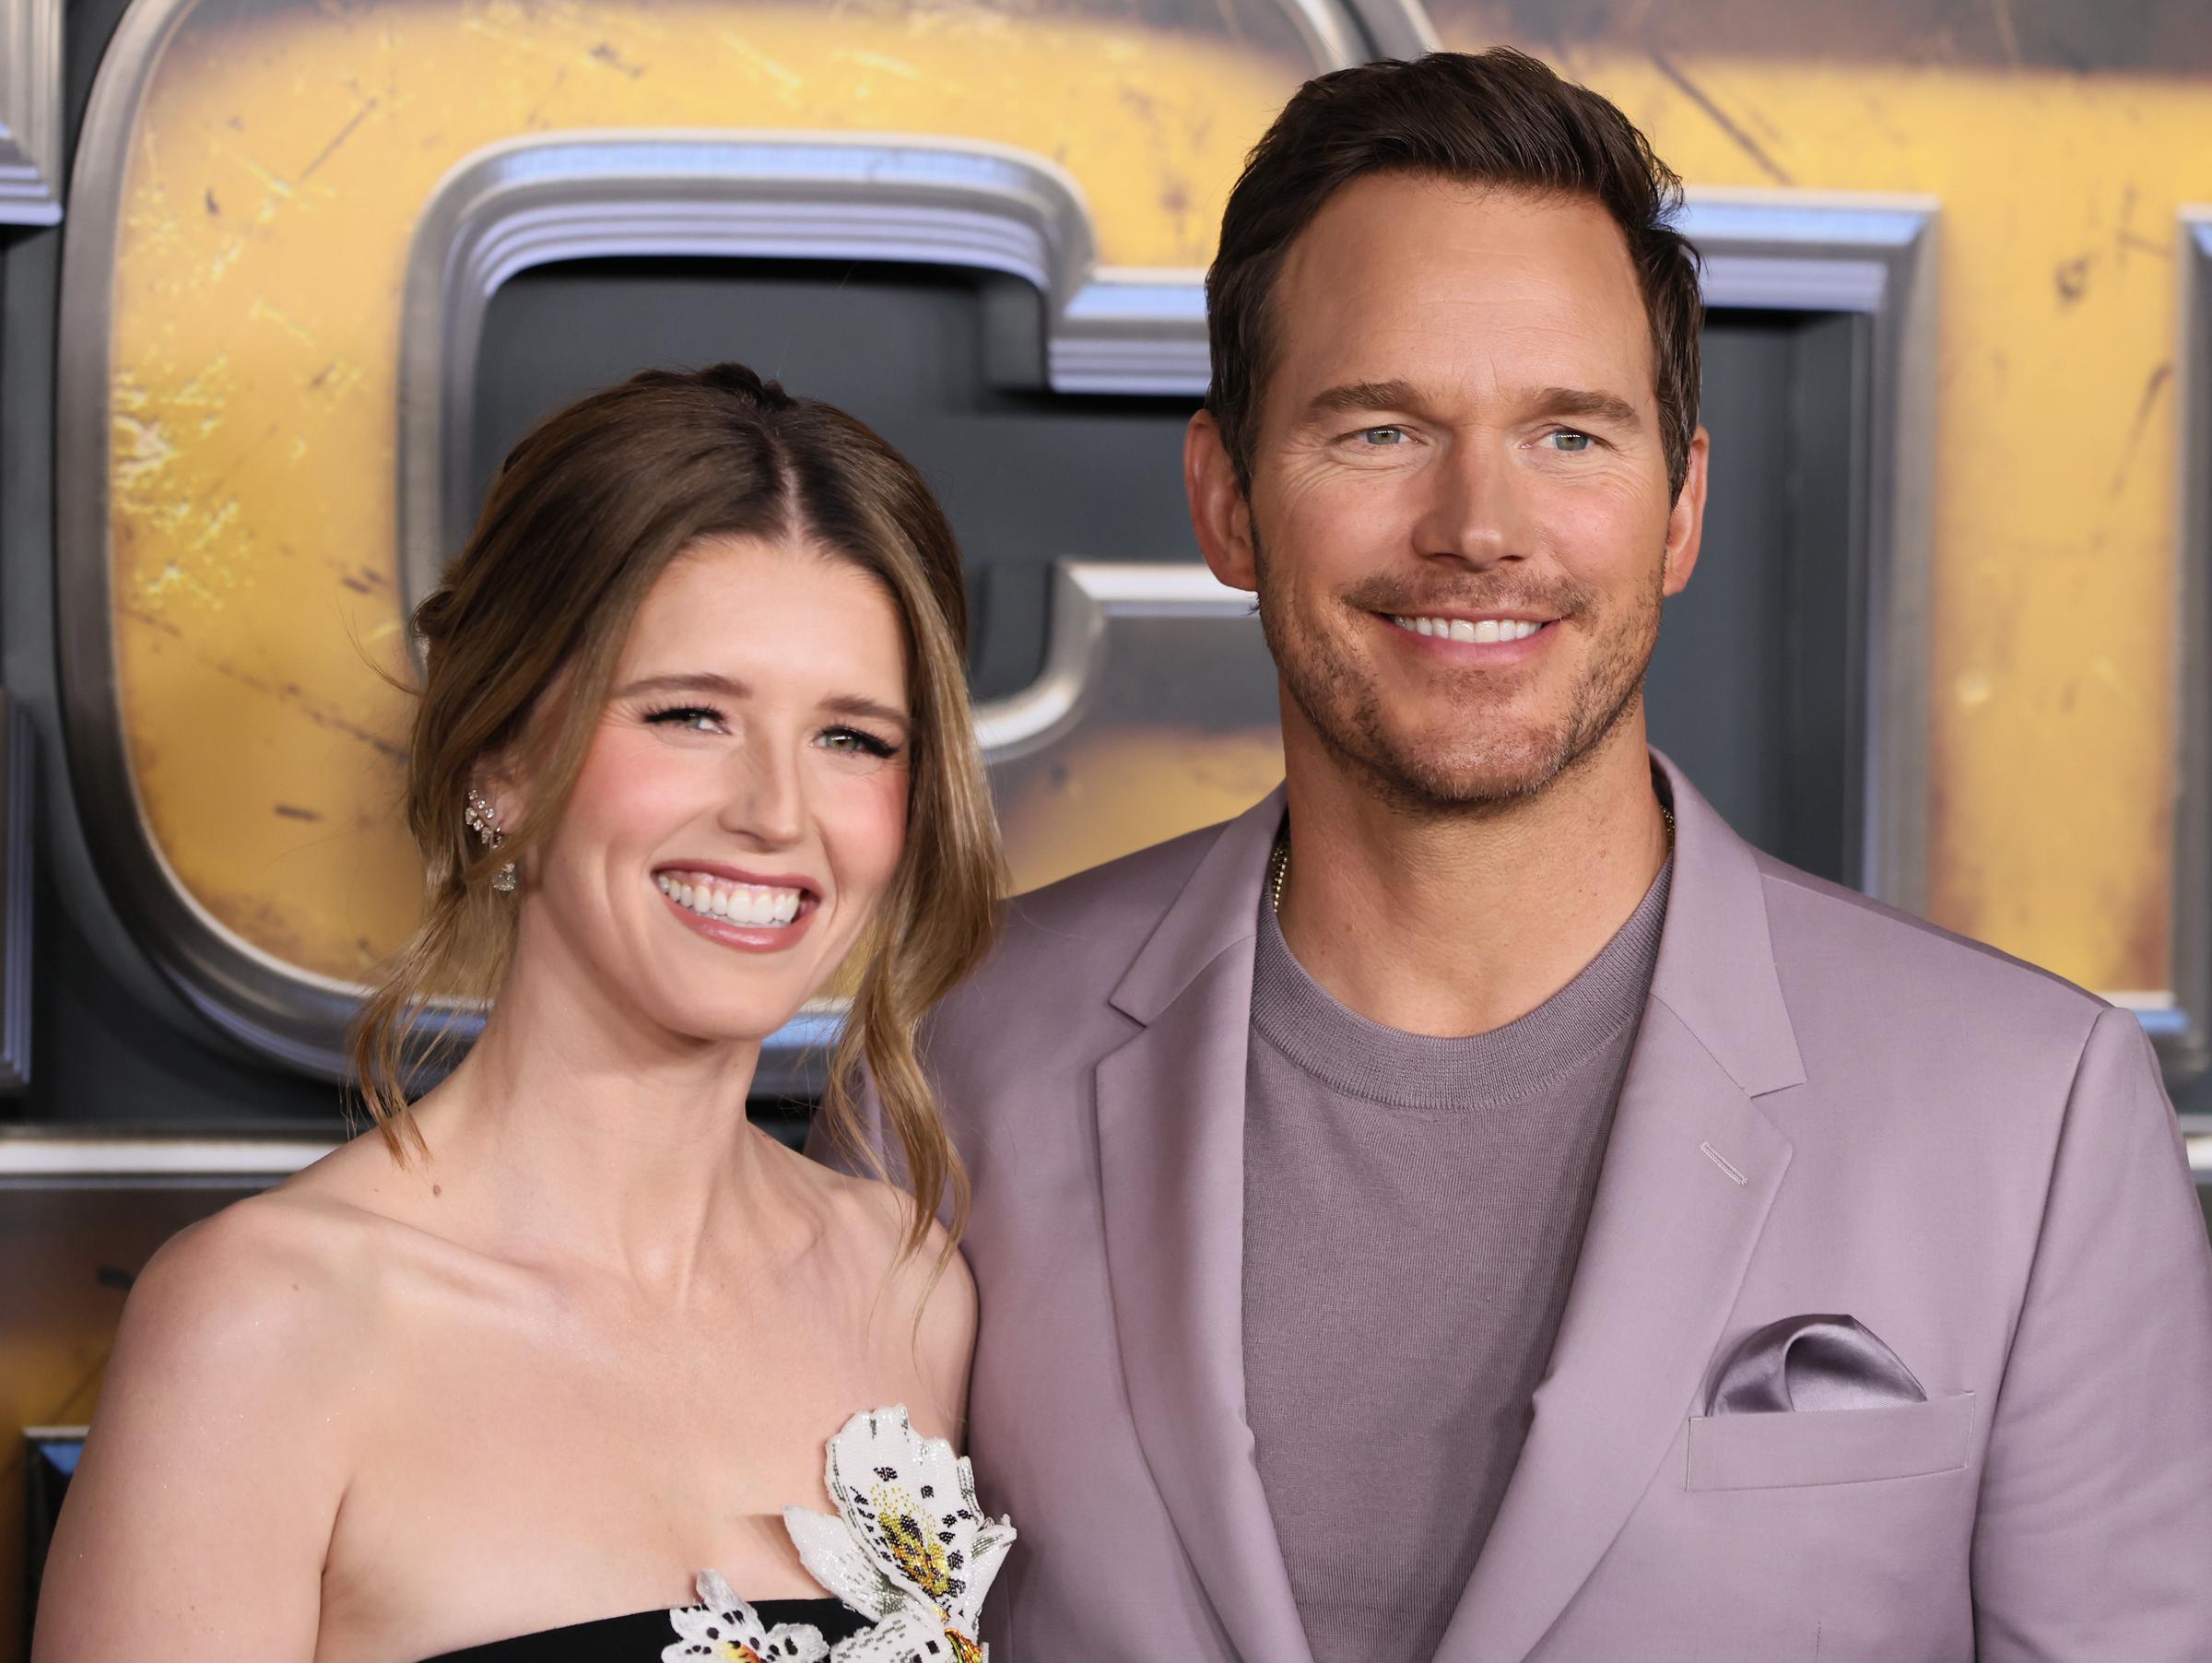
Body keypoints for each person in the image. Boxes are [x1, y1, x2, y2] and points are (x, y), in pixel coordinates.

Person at [814, 48, 2212, 1663]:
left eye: (1570, 435)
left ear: (1682, 508)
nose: (1480, 525)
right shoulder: (952, 1064)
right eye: (1381, 428)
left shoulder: (2033, 1120)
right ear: (1225, 501)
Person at [35, 365, 1014, 1663]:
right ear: (504, 755)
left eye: (852, 739)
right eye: (689, 715)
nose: (778, 812)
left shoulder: (911, 1290)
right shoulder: (265, 1326)